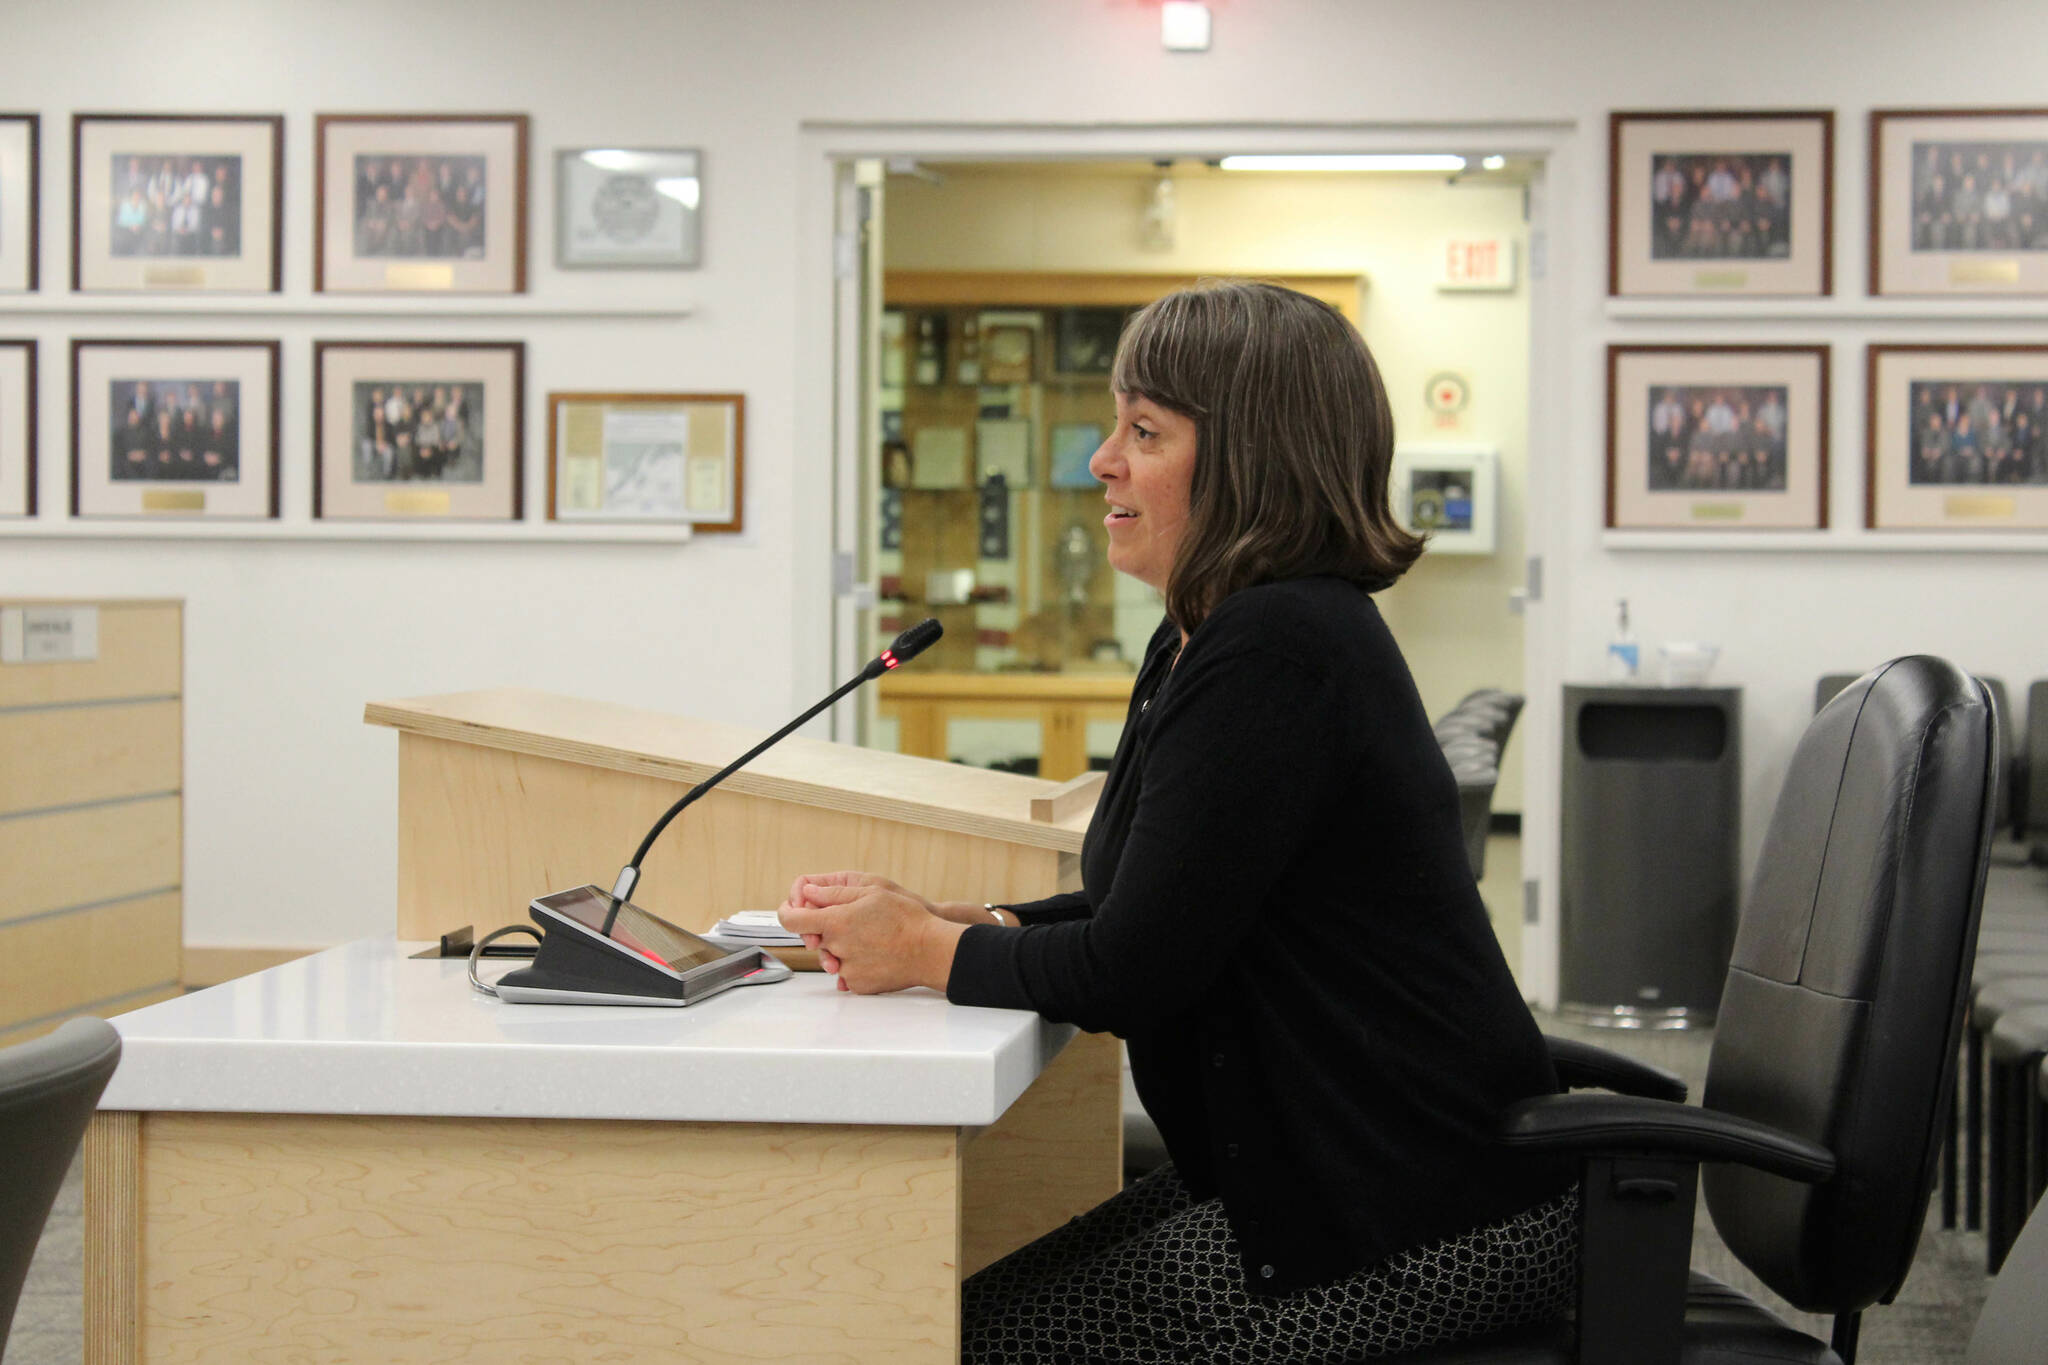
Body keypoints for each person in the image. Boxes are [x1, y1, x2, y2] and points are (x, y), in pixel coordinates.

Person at [777, 280, 1577, 1364]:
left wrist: (927, 951)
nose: (1100, 460)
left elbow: (1135, 968)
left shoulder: (1275, 649)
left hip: (1410, 1218)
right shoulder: (1214, 634)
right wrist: (986, 923)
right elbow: (1161, 904)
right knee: (944, 1320)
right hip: (1335, 1177)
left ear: (1249, 462)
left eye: (1142, 432)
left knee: (960, 1343)